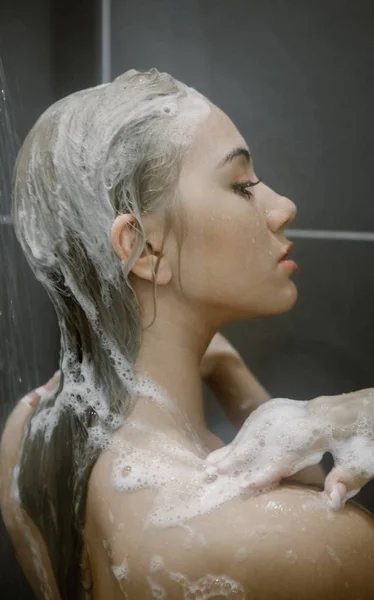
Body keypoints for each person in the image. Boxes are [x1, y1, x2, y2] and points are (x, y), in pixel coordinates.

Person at [0, 68, 373, 600]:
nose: (283, 207)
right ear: (144, 249)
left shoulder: (29, 435)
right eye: (242, 185)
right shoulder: (306, 541)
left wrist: (226, 367)